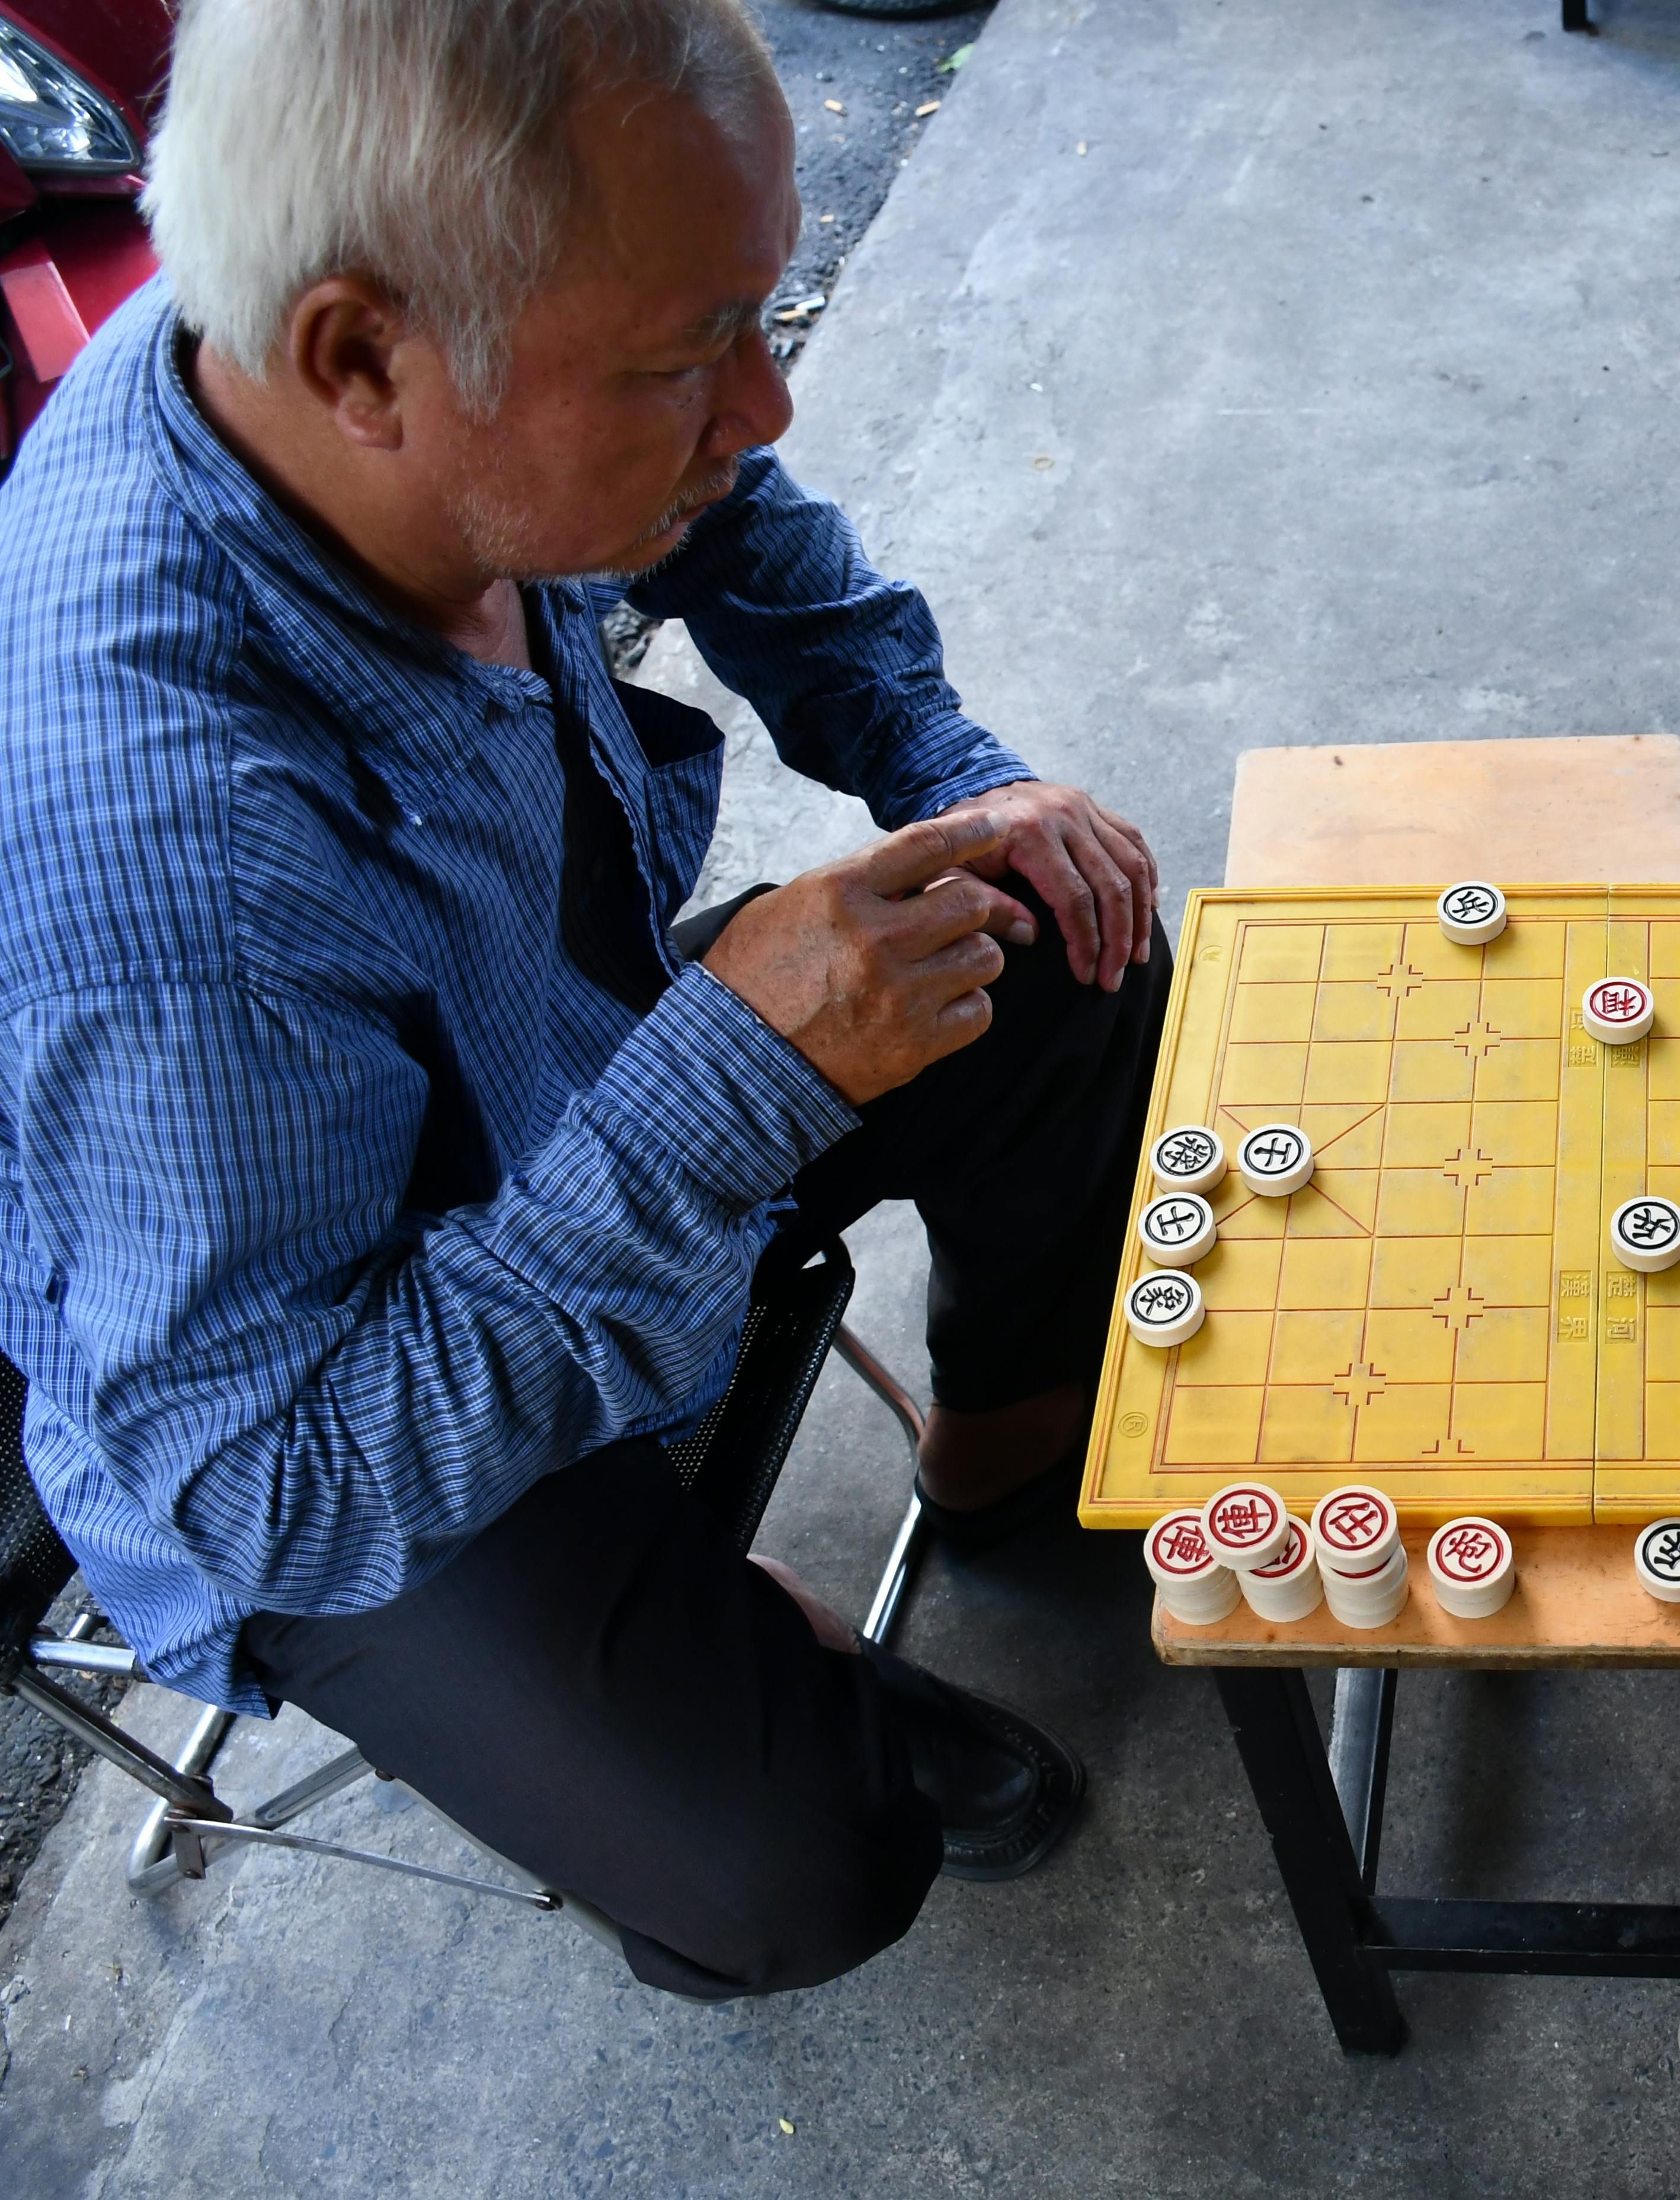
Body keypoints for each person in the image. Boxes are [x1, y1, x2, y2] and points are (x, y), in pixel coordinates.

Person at [0, 0, 1167, 1997]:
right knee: (791, 1869)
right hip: (322, 1395)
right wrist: (735, 1075)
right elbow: (279, 1484)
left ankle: (998, 1460)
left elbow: (728, 511)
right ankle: (764, 1670)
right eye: (682, 356)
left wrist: (959, 777)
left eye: (759, 312)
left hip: (563, 1053)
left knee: (1067, 932)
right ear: (364, 357)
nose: (766, 403)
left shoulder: (323, 341)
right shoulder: (161, 852)